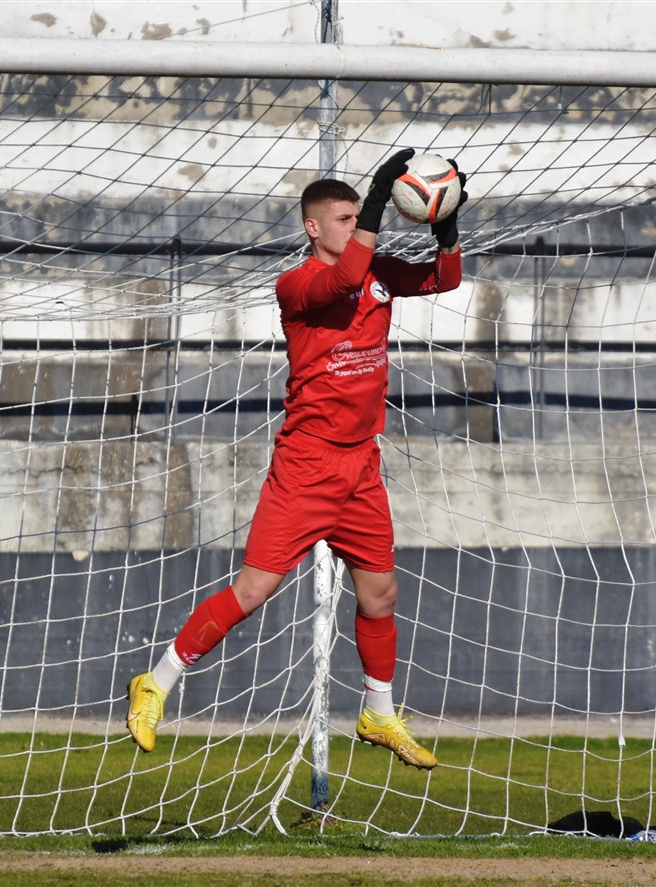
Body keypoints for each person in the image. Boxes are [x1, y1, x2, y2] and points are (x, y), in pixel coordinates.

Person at [126, 147, 466, 768]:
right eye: (345, 218)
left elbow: (445, 279)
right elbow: (342, 280)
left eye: (358, 217)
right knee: (254, 589)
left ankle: (378, 713)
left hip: (361, 464)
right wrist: (376, 201)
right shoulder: (299, 284)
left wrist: (446, 225)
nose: (356, 225)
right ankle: (157, 681)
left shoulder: (376, 272)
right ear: (313, 227)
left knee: (381, 595)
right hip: (306, 465)